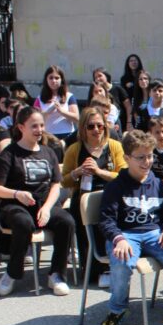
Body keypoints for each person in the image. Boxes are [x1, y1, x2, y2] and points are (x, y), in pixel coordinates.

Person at [97, 130, 163, 325]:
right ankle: (117, 310)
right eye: (140, 157)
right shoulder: (116, 187)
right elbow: (106, 220)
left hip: (154, 233)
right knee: (122, 260)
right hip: (125, 234)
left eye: (150, 156)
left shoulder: (159, 185)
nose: (147, 162)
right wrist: (118, 239)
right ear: (126, 158)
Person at [0, 106, 74, 297]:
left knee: (66, 222)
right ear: (21, 127)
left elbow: (55, 185)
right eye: (34, 126)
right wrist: (17, 194)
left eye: (42, 125)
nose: (39, 130)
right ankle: (12, 272)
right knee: (23, 223)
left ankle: (56, 273)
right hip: (16, 204)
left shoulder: (48, 152)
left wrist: (48, 208)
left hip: (43, 203)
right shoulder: (9, 154)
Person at [62, 107, 127, 289]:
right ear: (83, 128)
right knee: (84, 227)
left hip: (110, 195)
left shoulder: (114, 146)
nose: (96, 130)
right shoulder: (74, 150)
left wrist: (99, 172)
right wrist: (77, 172)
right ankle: (91, 269)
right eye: (91, 126)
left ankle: (108, 268)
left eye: (100, 125)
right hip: (83, 197)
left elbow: (122, 175)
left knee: (106, 222)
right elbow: (64, 180)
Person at [33, 66, 79, 140]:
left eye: (57, 78)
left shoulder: (69, 96)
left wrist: (61, 111)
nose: (54, 81)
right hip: (47, 136)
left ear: (62, 80)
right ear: (46, 80)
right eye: (51, 78)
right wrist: (48, 111)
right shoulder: (39, 98)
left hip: (67, 135)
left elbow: (76, 118)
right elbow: (34, 120)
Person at [92, 68, 132, 133]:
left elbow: (128, 106)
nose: (98, 79)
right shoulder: (94, 94)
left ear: (106, 76)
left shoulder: (118, 89)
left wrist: (129, 122)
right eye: (95, 77)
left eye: (100, 76)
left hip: (120, 123)